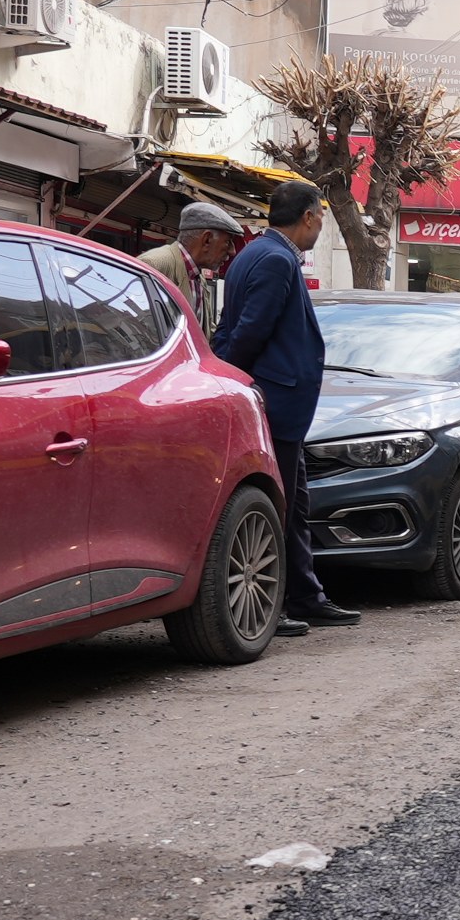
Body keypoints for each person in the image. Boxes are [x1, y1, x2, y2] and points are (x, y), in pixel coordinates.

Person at [214, 179, 358, 637]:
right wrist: (233, 379)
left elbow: (234, 327)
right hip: (275, 401)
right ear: (309, 216)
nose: (321, 225)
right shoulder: (275, 259)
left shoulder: (257, 253)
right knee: (277, 506)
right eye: (322, 216)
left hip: (278, 400)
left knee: (294, 505)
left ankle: (306, 596)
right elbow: (249, 332)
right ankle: (271, 606)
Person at [138, 202, 243, 333]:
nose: (232, 251)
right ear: (207, 240)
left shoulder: (198, 278)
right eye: (227, 242)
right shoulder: (155, 265)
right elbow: (138, 328)